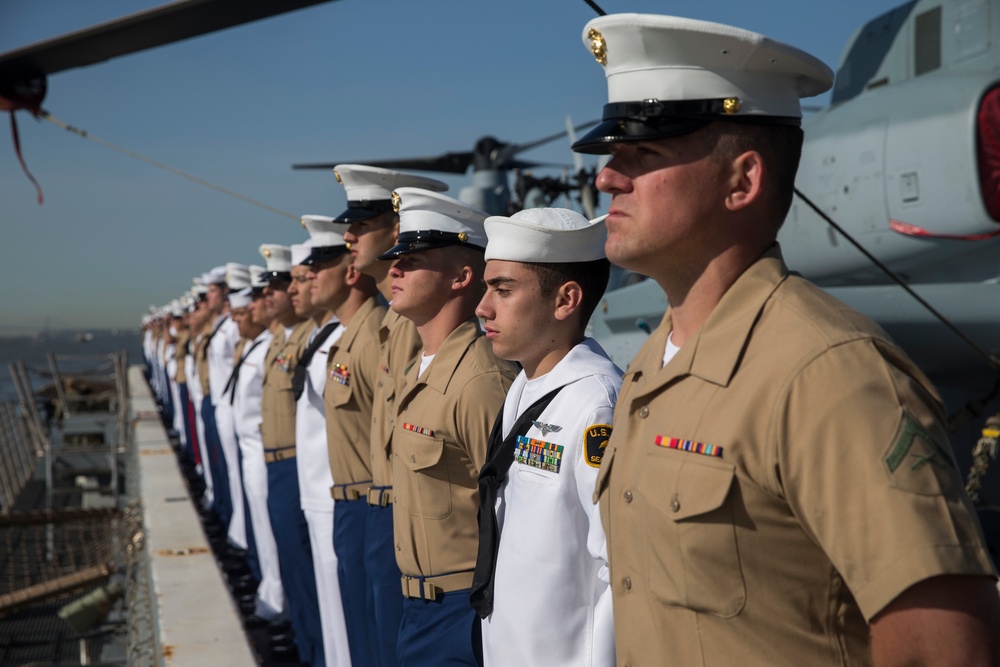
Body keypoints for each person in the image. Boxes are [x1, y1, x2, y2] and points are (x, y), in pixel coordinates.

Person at [571, 13, 1000, 667]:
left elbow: (939, 649)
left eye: (644, 154)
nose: (606, 178)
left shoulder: (830, 376)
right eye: (612, 156)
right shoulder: (650, 365)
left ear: (742, 181)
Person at [471, 207, 619, 667]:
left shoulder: (595, 404)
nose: (483, 307)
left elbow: (618, 569)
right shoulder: (525, 386)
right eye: (486, 288)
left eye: (504, 290)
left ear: (565, 300)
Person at [379, 187, 518, 667]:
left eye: (413, 259)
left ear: (462, 276)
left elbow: (515, 516)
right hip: (417, 608)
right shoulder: (420, 370)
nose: (393, 269)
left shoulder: (482, 381)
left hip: (462, 615)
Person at [332, 163, 449, 667]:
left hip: (405, 518)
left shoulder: (407, 323)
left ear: (394, 228)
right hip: (379, 509)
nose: (349, 234)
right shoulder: (392, 322)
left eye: (362, 223)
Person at [258, 243, 324, 666]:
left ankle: (312, 649)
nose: (271, 295)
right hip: (279, 462)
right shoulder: (287, 340)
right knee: (295, 568)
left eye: (280, 286)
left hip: (300, 465)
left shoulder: (307, 339)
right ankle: (303, 643)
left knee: (308, 574)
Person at [293, 217, 354, 667]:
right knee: (336, 621)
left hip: (342, 496)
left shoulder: (353, 339)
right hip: (322, 493)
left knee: (348, 626)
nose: (307, 279)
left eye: (315, 268)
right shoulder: (325, 338)